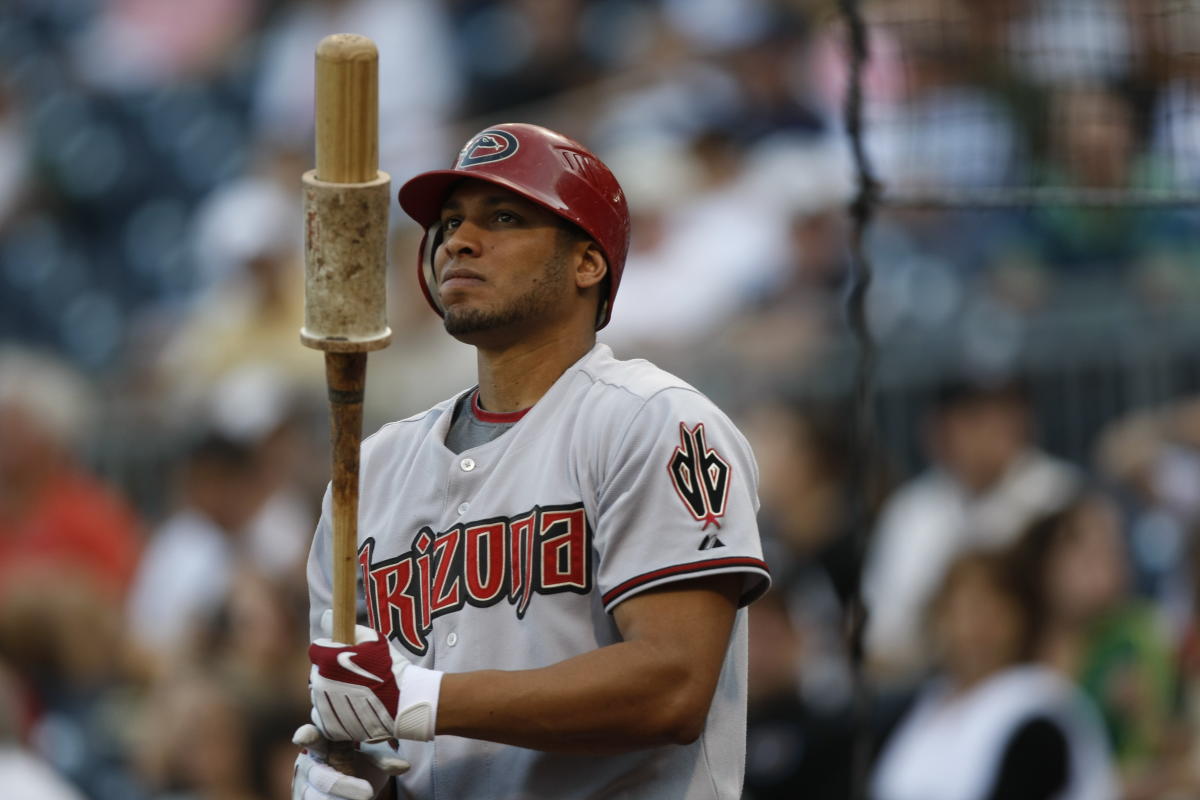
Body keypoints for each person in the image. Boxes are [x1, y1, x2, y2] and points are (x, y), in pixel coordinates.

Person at [291, 123, 771, 800]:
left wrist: (426, 699)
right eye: (450, 221)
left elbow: (673, 686)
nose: (458, 239)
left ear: (588, 263)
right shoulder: (370, 472)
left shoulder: (651, 420)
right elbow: (365, 711)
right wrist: (346, 773)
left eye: (505, 218)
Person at [870, 550, 1116, 800]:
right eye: (963, 608)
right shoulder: (925, 706)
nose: (974, 626)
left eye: (991, 609)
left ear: (1021, 619)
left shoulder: (1039, 710)